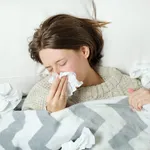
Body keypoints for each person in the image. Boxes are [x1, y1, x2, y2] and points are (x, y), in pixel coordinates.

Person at [22, 14, 150, 112]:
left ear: (84, 51)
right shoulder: (41, 94)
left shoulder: (127, 85)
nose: (57, 74)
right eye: (49, 69)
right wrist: (52, 114)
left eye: (62, 63)